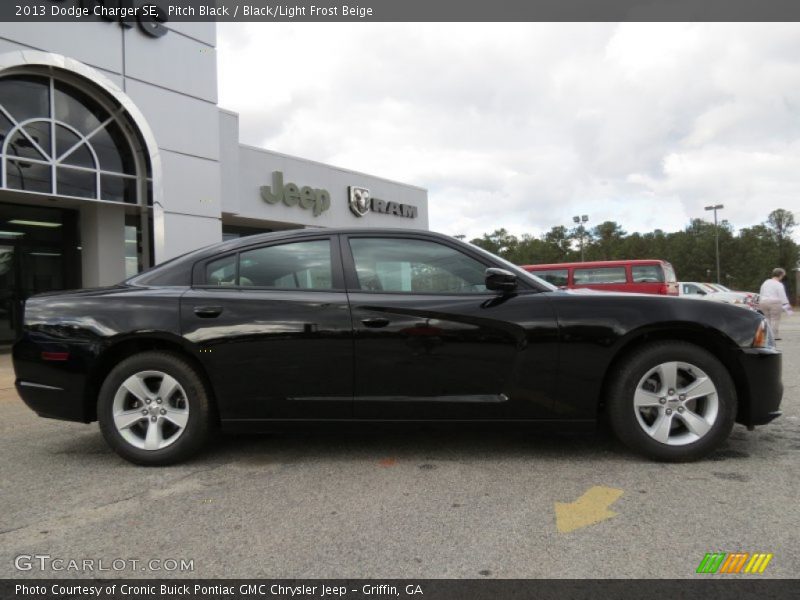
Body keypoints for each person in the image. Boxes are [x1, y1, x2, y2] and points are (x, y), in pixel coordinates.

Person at [758, 268, 793, 339]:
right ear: (780, 275)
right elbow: (782, 296)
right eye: (783, 276)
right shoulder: (778, 284)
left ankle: (766, 335)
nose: (782, 277)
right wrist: (787, 305)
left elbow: (761, 292)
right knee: (775, 319)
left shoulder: (765, 282)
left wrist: (760, 301)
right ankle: (774, 336)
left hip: (763, 302)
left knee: (767, 319)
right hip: (774, 302)